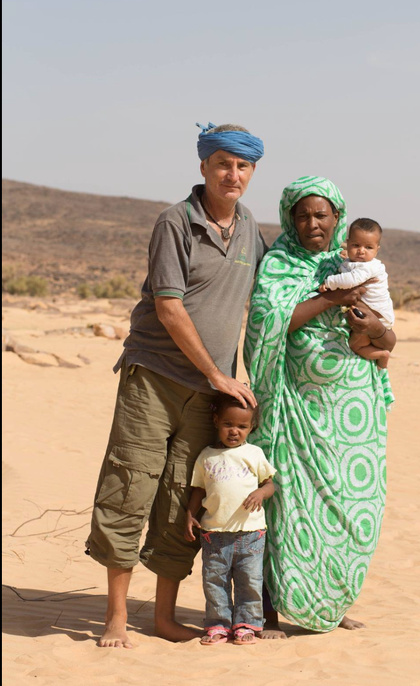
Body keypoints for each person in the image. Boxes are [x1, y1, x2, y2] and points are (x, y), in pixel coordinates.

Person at [85, 122, 266, 648]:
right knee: (129, 486)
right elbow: (168, 307)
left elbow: (269, 294)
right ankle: (116, 616)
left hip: (209, 395)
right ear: (204, 166)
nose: (232, 175)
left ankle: (163, 618)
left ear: (252, 172)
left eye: (243, 166)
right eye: (223, 164)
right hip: (155, 378)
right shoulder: (175, 222)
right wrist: (217, 373)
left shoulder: (252, 228)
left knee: (183, 499)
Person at [243, 176, 395, 637]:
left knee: (353, 506)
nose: (313, 223)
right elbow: (271, 323)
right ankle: (267, 613)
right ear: (291, 219)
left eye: (322, 215)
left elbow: (388, 335)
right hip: (294, 410)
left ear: (337, 219)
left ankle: (332, 602)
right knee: (284, 505)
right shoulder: (279, 265)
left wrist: (374, 325)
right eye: (303, 214)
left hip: (353, 412)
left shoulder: (355, 261)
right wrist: (331, 297)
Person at [184, 393, 276, 646]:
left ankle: (247, 624)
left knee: (250, 581)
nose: (234, 431)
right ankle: (218, 625)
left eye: (242, 426)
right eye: (228, 424)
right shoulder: (206, 456)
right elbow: (199, 490)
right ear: (216, 422)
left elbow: (270, 485)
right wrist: (191, 516)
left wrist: (261, 492)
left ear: (251, 428)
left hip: (251, 534)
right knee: (215, 582)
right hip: (214, 534)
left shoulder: (254, 453)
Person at [319, 217, 395, 369]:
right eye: (356, 245)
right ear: (348, 244)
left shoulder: (369, 267)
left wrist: (329, 282)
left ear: (377, 250)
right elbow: (349, 268)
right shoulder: (356, 262)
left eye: (368, 247)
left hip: (377, 316)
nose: (361, 251)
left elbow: (351, 279)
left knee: (355, 345)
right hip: (372, 313)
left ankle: (382, 356)